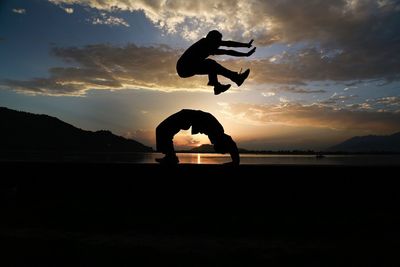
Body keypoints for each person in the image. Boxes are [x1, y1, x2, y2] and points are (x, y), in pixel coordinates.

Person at [176, 30, 256, 95]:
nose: (219, 44)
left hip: (187, 68)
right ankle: (219, 84)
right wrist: (245, 53)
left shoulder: (209, 45)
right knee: (211, 64)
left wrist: (246, 46)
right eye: (218, 42)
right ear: (213, 40)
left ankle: (235, 79)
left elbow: (228, 45)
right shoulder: (204, 44)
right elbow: (228, 48)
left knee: (215, 67)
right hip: (183, 67)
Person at [155, 109, 240, 165]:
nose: (213, 144)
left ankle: (171, 157)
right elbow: (231, 143)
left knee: (163, 130)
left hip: (188, 116)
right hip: (188, 116)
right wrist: (236, 162)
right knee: (162, 130)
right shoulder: (218, 132)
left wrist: (235, 161)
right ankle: (171, 157)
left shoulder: (217, 133)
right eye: (217, 148)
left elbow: (231, 143)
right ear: (221, 144)